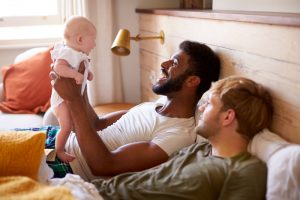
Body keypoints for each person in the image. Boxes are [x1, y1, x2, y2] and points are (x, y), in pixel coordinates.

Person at [51, 40, 221, 181]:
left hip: (68, 166)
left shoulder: (179, 133)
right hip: (57, 140)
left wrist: (73, 100)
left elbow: (104, 165)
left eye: (174, 62)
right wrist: (79, 84)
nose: (164, 64)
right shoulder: (153, 106)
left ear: (192, 81)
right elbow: (96, 124)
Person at [92, 76, 274, 199]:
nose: (201, 109)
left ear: (228, 117)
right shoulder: (199, 149)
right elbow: (151, 181)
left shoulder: (247, 170)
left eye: (209, 104)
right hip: (96, 191)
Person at [50, 16, 97, 162]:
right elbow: (59, 67)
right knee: (66, 125)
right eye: (93, 39)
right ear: (80, 40)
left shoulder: (79, 55)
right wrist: (75, 74)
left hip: (69, 98)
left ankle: (75, 143)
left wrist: (86, 73)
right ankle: (59, 150)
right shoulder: (68, 52)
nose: (94, 44)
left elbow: (79, 68)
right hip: (61, 100)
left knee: (76, 122)